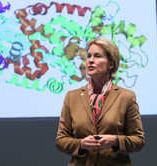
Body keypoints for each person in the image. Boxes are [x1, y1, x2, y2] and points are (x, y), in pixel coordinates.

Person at [56, 36, 145, 166]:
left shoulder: (126, 97)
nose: (90, 61)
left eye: (97, 56)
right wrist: (81, 144)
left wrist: (115, 141)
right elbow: (61, 141)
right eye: (89, 56)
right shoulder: (72, 97)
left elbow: (138, 141)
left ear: (111, 63)